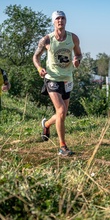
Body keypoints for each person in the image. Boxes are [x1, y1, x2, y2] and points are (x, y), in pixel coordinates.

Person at [33, 11, 82, 157]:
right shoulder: (47, 40)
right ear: (54, 22)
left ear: (66, 21)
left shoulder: (73, 38)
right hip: (52, 78)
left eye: (62, 18)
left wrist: (77, 60)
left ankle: (46, 124)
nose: (60, 21)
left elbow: (79, 53)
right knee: (60, 110)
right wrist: (39, 68)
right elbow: (35, 56)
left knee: (63, 114)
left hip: (67, 78)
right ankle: (63, 147)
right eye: (57, 19)